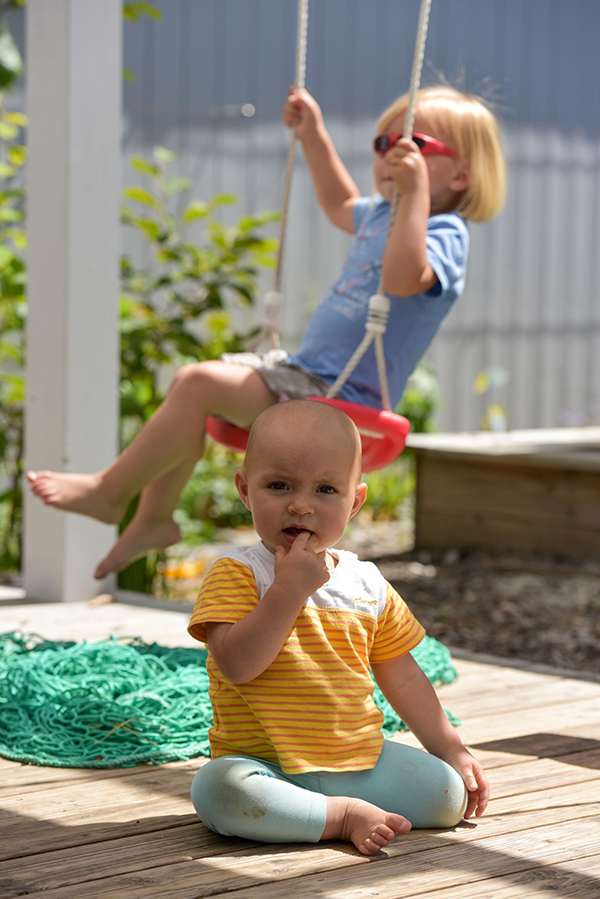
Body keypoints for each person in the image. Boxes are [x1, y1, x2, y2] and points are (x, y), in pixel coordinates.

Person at [26, 84, 506, 579]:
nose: (392, 156)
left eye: (414, 146)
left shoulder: (446, 231)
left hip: (339, 397)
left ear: (463, 171)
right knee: (189, 387)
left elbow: (404, 278)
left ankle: (111, 493)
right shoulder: (383, 214)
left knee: (198, 382)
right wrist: (314, 134)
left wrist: (416, 197)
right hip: (303, 375)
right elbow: (340, 201)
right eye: (383, 145)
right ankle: (153, 518)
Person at [187, 399, 488, 855]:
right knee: (218, 791)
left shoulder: (367, 582)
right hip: (262, 765)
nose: (301, 506)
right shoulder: (237, 573)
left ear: (355, 502)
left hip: (359, 759)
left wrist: (451, 749)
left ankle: (316, 810)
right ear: (246, 491)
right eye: (279, 485)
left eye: (326, 490)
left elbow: (403, 676)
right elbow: (237, 665)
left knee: (448, 795)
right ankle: (341, 815)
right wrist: (287, 591)